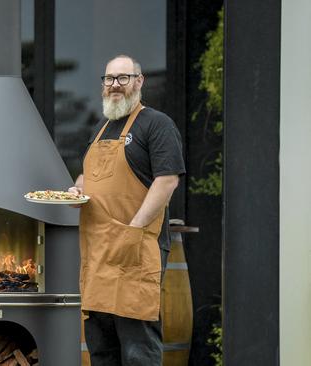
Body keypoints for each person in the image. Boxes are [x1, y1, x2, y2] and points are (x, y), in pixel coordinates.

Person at [68, 55, 185, 365]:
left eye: (123, 77)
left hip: (134, 250)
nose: (115, 85)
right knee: (101, 349)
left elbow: (168, 180)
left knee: (138, 351)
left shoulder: (156, 124)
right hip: (98, 253)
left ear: (139, 81)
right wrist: (76, 187)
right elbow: (87, 174)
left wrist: (134, 228)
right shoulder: (99, 126)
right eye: (109, 79)